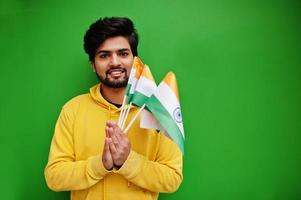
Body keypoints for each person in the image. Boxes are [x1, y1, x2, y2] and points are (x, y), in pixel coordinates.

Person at [44, 17, 183, 200]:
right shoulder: (73, 110)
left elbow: (172, 178)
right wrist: (100, 164)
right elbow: (54, 177)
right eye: (104, 55)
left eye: (123, 53)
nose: (114, 62)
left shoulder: (158, 109)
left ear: (135, 60)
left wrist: (128, 160)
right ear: (93, 65)